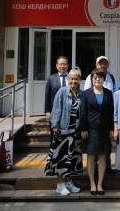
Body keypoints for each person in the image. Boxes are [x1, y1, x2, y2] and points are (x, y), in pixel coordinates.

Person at [44, 68, 83, 196]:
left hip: (75, 132)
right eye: (71, 78)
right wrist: (55, 125)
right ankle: (60, 185)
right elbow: (56, 109)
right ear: (68, 79)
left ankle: (68, 182)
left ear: (79, 80)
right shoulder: (62, 92)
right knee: (60, 157)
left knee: (71, 158)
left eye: (76, 78)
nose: (73, 81)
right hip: (63, 129)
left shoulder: (81, 93)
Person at [81, 69, 114, 195]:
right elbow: (83, 112)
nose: (97, 79)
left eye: (100, 77)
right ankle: (92, 183)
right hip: (91, 129)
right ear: (91, 79)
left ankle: (100, 183)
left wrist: (112, 128)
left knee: (102, 155)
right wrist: (83, 129)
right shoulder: (86, 93)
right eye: (95, 78)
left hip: (104, 129)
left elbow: (111, 112)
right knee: (90, 156)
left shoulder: (108, 93)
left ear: (104, 79)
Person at [84, 56, 116, 174]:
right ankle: (95, 167)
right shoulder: (91, 77)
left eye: (105, 63)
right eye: (100, 63)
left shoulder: (111, 77)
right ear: (96, 65)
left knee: (106, 144)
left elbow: (114, 94)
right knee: (94, 145)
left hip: (106, 115)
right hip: (94, 116)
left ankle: (107, 165)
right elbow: (87, 95)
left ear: (108, 65)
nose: (102, 65)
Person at [45, 56, 70, 124]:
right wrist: (48, 112)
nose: (62, 66)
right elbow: (47, 96)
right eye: (60, 64)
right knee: (55, 128)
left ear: (67, 65)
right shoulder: (51, 78)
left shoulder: (72, 78)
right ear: (56, 66)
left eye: (64, 64)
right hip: (55, 110)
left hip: (69, 110)